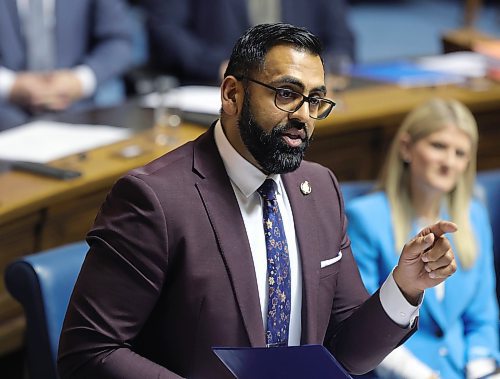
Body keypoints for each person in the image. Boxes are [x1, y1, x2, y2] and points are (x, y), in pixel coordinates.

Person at [58, 24, 457, 379]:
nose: (304, 115)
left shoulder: (319, 189)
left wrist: (404, 287)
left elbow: (347, 355)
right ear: (232, 94)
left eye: (316, 100)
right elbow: (90, 352)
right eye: (287, 94)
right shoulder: (155, 199)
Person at [346, 98, 500, 379]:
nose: (448, 162)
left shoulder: (473, 216)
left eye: (460, 153)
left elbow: (483, 317)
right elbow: (362, 328)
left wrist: (483, 371)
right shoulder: (365, 218)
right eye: (438, 146)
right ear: (406, 147)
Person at [143, 0, 356, 85]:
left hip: (301, 96)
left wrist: (325, 70)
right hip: (215, 91)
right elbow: (164, 29)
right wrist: (215, 66)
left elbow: (342, 39)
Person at [0, 0, 134, 131]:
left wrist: (80, 80)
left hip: (80, 112)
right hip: (6, 113)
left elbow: (118, 40)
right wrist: (10, 85)